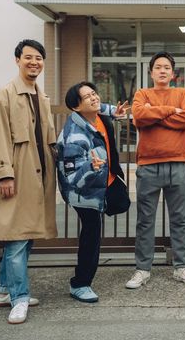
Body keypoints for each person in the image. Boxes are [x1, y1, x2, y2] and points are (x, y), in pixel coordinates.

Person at [0, 39, 57, 324]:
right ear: (17, 60)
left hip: (37, 177)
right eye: (28, 57)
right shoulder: (4, 96)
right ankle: (19, 298)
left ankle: (2, 290)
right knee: (17, 239)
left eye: (39, 58)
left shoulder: (41, 96)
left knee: (24, 236)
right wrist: (4, 174)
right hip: (16, 176)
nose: (34, 62)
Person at [126, 52, 185, 289]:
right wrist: (171, 110)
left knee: (180, 219)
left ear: (173, 73)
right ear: (151, 72)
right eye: (158, 67)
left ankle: (181, 267)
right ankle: (142, 269)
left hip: (177, 163)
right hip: (148, 164)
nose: (162, 71)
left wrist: (155, 112)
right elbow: (139, 115)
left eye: (167, 67)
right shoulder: (142, 94)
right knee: (145, 220)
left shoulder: (183, 94)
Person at [56, 82, 128, 303]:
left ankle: (81, 281)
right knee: (91, 233)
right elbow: (72, 179)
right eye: (87, 97)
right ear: (76, 107)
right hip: (84, 193)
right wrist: (90, 167)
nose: (94, 98)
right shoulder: (73, 138)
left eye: (94, 93)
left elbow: (102, 107)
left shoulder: (97, 115)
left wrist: (114, 111)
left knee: (120, 203)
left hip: (104, 181)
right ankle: (80, 284)